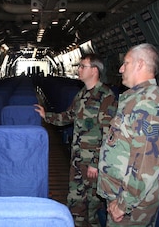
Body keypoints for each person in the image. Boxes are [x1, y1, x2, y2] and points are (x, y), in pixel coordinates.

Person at [35, 53, 117, 226]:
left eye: (82, 66)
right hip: (77, 159)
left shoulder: (106, 96)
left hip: (93, 164)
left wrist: (95, 162)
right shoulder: (81, 94)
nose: (78, 69)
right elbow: (68, 116)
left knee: (93, 208)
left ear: (94, 70)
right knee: (75, 203)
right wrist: (46, 116)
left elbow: (108, 133)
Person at [97, 43, 159, 226]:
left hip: (133, 204)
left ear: (140, 64)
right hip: (123, 195)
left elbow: (147, 160)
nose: (121, 69)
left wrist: (124, 204)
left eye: (126, 63)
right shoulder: (135, 99)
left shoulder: (147, 104)